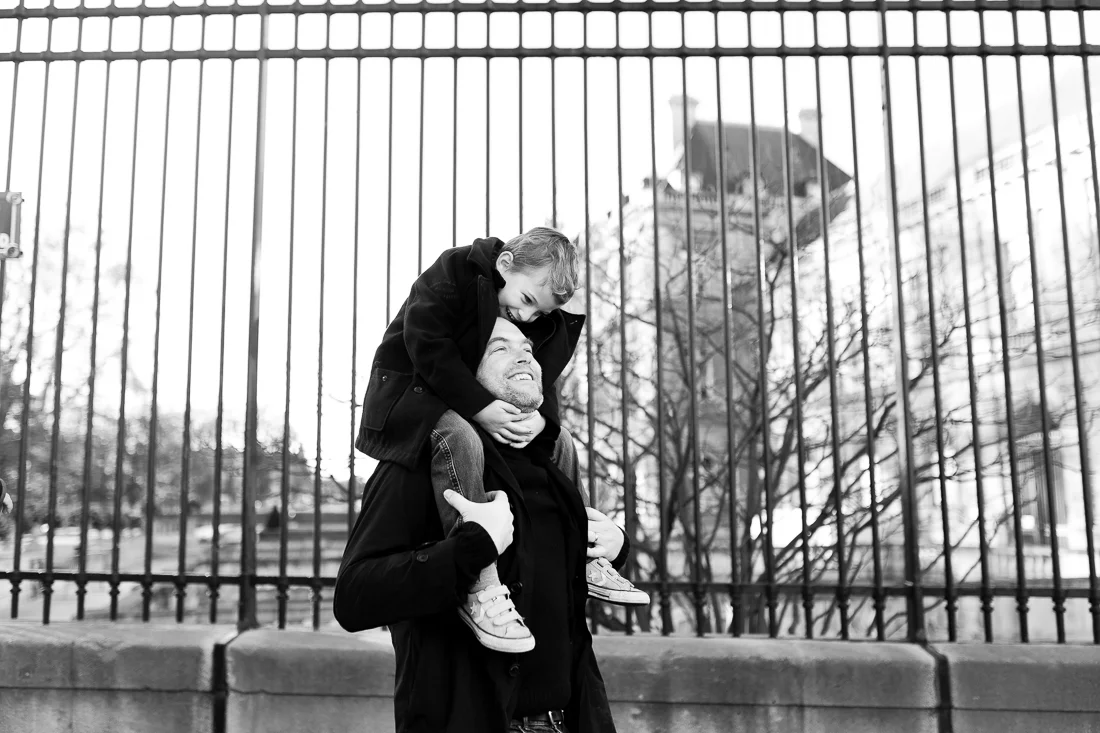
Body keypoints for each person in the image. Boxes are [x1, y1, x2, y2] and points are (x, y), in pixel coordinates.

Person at [355, 228, 647, 654]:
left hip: (469, 401)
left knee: (561, 440)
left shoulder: (519, 313)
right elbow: (428, 345)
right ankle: (481, 582)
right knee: (458, 434)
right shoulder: (455, 272)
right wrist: (479, 406)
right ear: (505, 265)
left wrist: (542, 425)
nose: (525, 321)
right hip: (412, 399)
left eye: (531, 329)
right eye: (527, 302)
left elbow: (537, 380)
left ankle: (587, 553)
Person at [336, 317, 626, 733]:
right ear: (464, 375)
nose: (523, 353)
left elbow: (559, 587)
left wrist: (613, 546)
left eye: (526, 347)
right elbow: (354, 598)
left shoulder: (552, 464)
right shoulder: (421, 465)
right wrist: (472, 547)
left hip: (573, 719)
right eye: (499, 348)